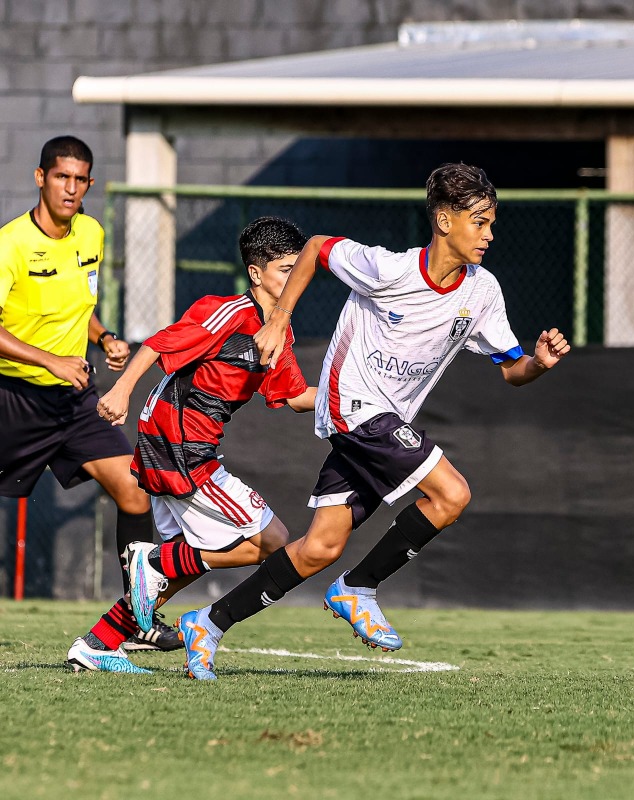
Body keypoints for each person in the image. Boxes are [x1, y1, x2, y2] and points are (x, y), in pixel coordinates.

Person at [133, 162, 571, 681]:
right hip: (354, 406)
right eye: (480, 222)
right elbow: (317, 246)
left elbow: (510, 370)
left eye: (492, 222)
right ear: (444, 220)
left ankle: (209, 622)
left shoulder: (483, 291)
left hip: (383, 423)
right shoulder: (389, 269)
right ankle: (357, 587)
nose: (489, 234)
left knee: (320, 545)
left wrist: (538, 364)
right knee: (452, 494)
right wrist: (279, 318)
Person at [66, 215, 316, 673]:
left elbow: (298, 396)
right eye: (286, 268)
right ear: (257, 273)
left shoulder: (278, 331)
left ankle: (98, 643)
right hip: (178, 444)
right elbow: (159, 345)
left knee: (190, 562)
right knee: (270, 539)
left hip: (182, 446)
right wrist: (121, 391)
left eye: (299, 268)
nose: (295, 277)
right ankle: (152, 558)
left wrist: (357, 400)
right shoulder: (225, 311)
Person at [0, 135, 178, 652]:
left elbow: (81, 306)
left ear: (90, 184)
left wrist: (103, 337)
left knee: (134, 490)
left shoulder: (92, 233)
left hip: (75, 400)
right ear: (40, 178)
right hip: (15, 397)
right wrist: (49, 359)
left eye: (80, 180)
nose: (71, 188)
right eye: (61, 177)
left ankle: (138, 618)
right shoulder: (11, 243)